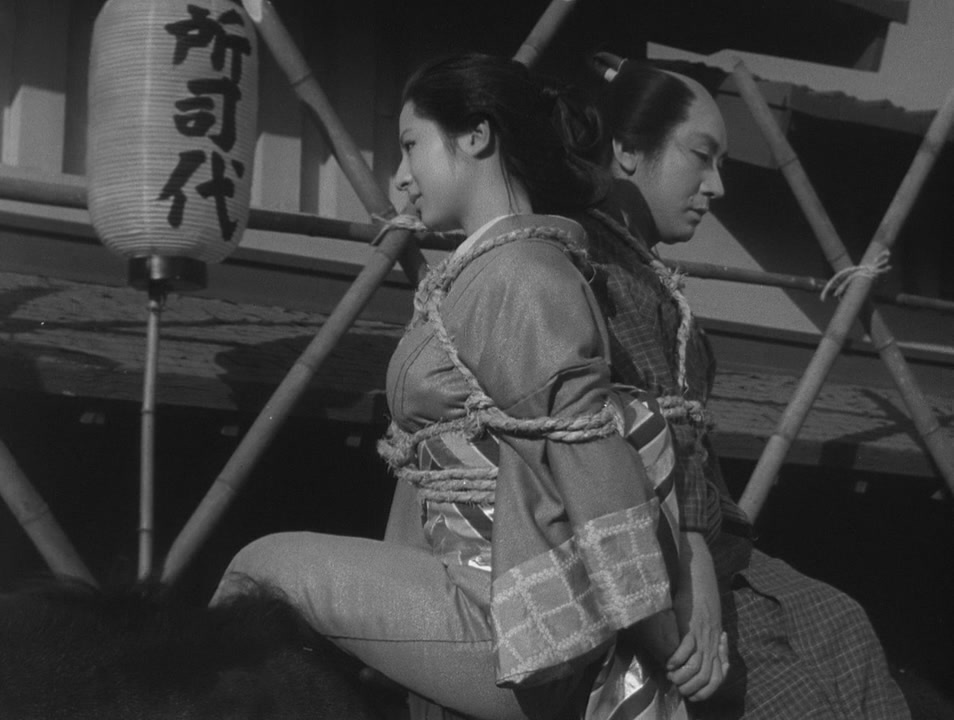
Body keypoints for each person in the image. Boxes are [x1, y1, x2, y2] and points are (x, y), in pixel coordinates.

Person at [214, 53, 702, 720]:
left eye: (412, 145)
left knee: (259, 569)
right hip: (476, 587)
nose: (400, 175)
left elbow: (590, 452)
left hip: (516, 623)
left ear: (476, 136)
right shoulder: (492, 270)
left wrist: (659, 633)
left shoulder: (523, 273)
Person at [573, 58, 912, 719]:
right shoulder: (597, 263)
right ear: (628, 150)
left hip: (707, 548)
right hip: (650, 555)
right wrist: (695, 555)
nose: (717, 185)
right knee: (805, 692)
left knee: (841, 623)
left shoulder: (640, 268)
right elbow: (652, 434)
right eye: (701, 157)